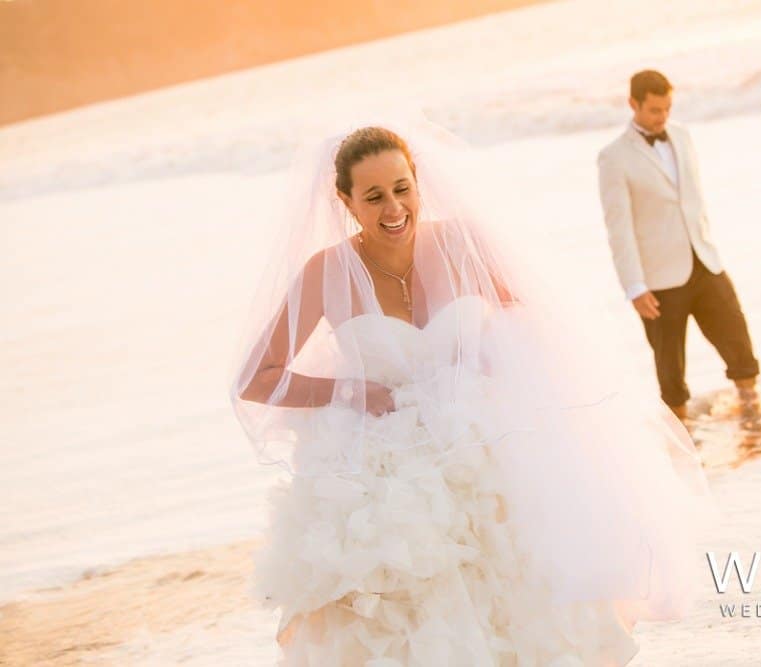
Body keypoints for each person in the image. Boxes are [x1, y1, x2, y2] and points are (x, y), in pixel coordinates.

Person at [229, 120, 714, 665]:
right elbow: (255, 377)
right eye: (373, 197)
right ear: (345, 201)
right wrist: (348, 391)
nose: (393, 208)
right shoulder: (326, 273)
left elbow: (532, 311)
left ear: (418, 183)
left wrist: (495, 343)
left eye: (402, 188)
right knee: (410, 605)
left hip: (482, 443)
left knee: (516, 584)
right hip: (385, 471)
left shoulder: (462, 242)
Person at [597, 70, 760, 422]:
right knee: (670, 369)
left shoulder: (683, 137)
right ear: (633, 104)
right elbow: (618, 228)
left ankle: (753, 414)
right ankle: (684, 439)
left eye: (668, 108)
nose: (663, 117)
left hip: (704, 261)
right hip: (658, 280)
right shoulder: (614, 158)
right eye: (655, 110)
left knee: (737, 340)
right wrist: (634, 286)